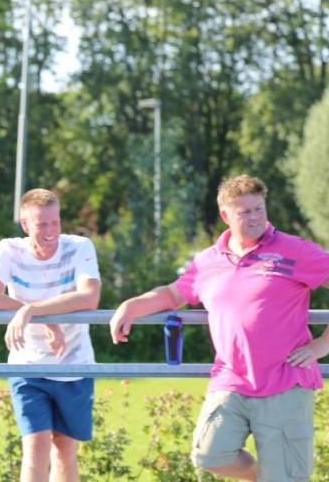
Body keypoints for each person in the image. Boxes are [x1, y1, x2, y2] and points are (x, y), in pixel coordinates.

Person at [110, 174, 329, 482]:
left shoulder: (295, 250)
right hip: (232, 380)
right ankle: (263, 475)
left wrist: (323, 344)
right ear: (225, 216)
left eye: (259, 208)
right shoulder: (207, 261)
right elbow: (173, 294)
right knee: (209, 454)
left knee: (285, 478)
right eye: (245, 211)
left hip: (286, 380)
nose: (255, 217)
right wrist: (131, 306)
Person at [0, 189, 101, 482]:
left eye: (55, 222)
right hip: (27, 365)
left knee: (65, 448)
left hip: (74, 363)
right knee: (35, 446)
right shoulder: (8, 249)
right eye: (41, 224)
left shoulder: (79, 246)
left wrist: (33, 311)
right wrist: (38, 316)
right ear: (25, 224)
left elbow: (90, 297)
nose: (50, 231)